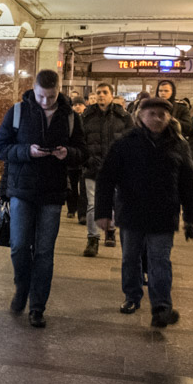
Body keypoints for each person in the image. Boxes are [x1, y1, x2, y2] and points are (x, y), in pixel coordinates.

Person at [94, 95, 193, 328]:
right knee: (130, 258)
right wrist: (103, 211)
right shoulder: (125, 143)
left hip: (164, 213)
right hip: (131, 212)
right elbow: (106, 177)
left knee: (159, 260)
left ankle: (161, 307)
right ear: (140, 116)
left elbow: (189, 182)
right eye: (152, 114)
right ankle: (132, 295)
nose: (157, 119)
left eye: (162, 114)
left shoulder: (178, 144)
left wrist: (191, 217)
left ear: (169, 117)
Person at [0, 69, 85, 328]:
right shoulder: (18, 112)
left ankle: (37, 307)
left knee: (44, 252)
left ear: (59, 91)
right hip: (22, 190)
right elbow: (0, 148)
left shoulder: (70, 116)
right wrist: (27, 151)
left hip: (53, 193)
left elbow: (83, 151)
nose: (46, 101)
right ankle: (22, 287)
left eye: (51, 96)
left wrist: (68, 153)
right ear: (33, 89)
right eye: (41, 96)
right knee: (19, 246)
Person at [79, 83, 130, 256]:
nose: (101, 95)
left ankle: (110, 230)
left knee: (113, 203)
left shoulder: (123, 116)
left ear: (111, 95)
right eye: (99, 92)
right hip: (92, 168)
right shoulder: (87, 116)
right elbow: (80, 141)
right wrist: (87, 159)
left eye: (105, 92)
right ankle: (92, 239)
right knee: (92, 205)